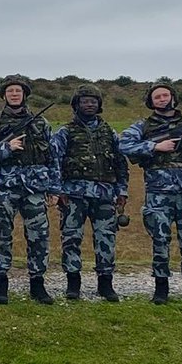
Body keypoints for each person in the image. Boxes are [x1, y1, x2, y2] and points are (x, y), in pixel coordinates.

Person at [119, 78, 182, 304]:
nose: (163, 99)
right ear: (151, 102)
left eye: (166, 95)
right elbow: (124, 145)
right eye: (157, 97)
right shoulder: (142, 127)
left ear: (173, 97)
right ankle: (160, 288)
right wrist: (154, 146)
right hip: (158, 192)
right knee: (160, 239)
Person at [0, 75, 58, 304]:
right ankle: (1, 284)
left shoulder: (41, 123)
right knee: (2, 236)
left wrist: (54, 188)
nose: (14, 94)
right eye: (10, 91)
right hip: (5, 189)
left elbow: (53, 157)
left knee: (39, 237)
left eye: (18, 91)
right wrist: (5, 148)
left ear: (25, 94)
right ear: (4, 95)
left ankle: (37, 285)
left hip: (35, 189)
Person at [50, 84, 129, 302]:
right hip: (73, 194)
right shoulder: (65, 132)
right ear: (76, 105)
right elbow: (54, 161)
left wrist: (122, 191)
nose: (89, 104)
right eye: (84, 101)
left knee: (106, 238)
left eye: (93, 101)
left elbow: (121, 163)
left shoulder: (110, 133)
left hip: (105, 194)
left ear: (99, 105)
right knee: (71, 237)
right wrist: (58, 190)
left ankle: (106, 283)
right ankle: (73, 283)